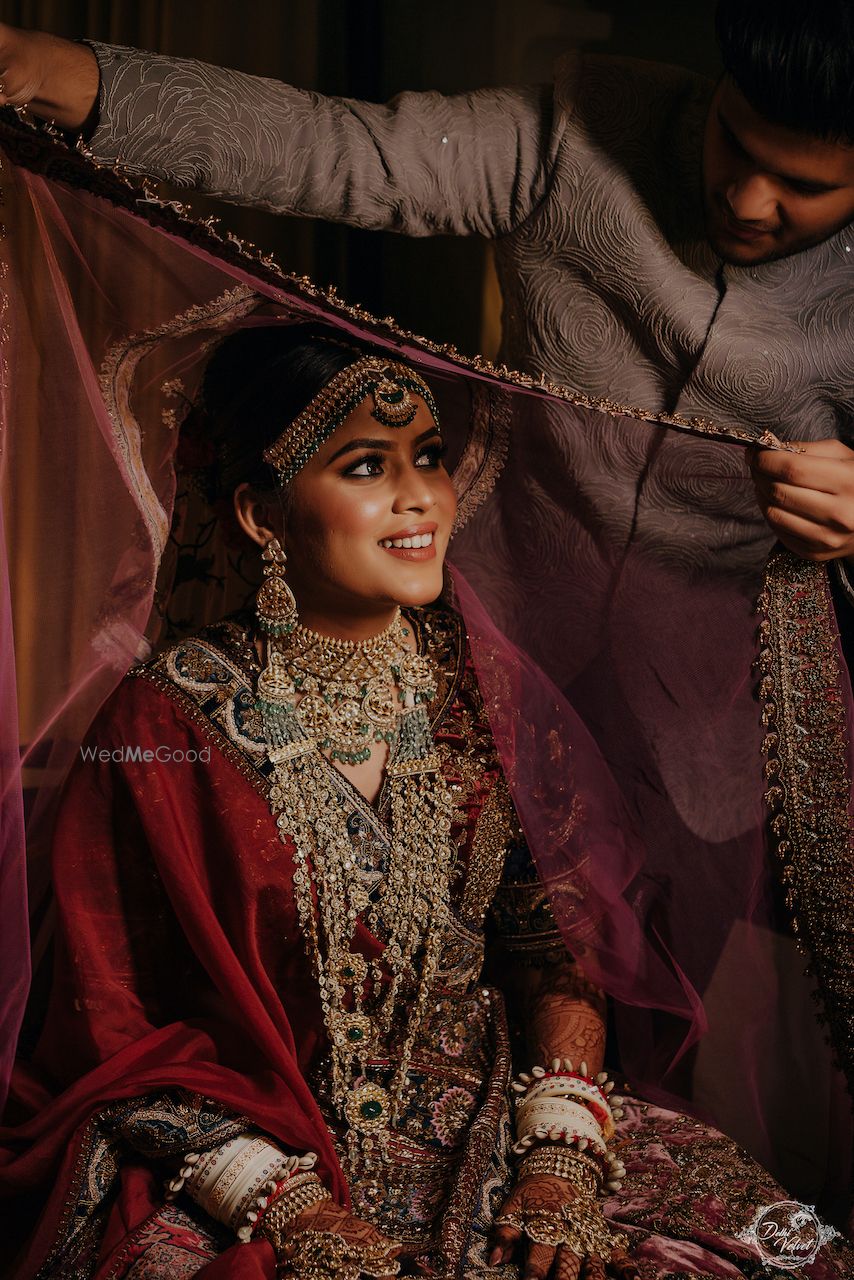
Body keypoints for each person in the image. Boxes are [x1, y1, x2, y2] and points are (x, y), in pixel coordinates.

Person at [3, 316, 852, 1280]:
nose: (419, 500)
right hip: (252, 1142)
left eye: (429, 457)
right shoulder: (161, 726)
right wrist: (284, 1202)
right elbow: (113, 1019)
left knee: (784, 1254)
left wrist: (562, 1154)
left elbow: (551, 950)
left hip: (497, 1111)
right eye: (365, 467)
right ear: (259, 514)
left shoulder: (488, 691)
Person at [0, 0, 851, 566]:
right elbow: (334, 148)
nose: (746, 198)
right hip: (503, 609)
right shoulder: (582, 127)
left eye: (806, 188)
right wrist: (50, 70)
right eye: (732, 141)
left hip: (741, 700)